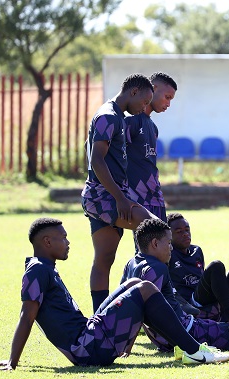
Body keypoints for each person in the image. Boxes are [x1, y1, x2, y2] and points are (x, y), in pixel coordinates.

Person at [0, 218, 229, 371]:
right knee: (144, 288)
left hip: (90, 335)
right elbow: (26, 316)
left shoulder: (45, 268)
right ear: (47, 242)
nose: (68, 242)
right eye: (63, 238)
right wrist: (12, 362)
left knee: (136, 281)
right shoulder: (38, 271)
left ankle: (187, 347)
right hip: (88, 348)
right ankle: (194, 351)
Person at [121, 218, 229, 352]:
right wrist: (190, 347)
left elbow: (131, 307)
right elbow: (147, 311)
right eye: (169, 242)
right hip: (188, 333)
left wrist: (127, 347)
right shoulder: (158, 268)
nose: (170, 248)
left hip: (173, 335)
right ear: (155, 243)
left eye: (187, 229)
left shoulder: (132, 264)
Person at [82, 73, 160, 312]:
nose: (145, 107)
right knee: (157, 230)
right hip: (102, 195)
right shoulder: (108, 116)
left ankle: (100, 319)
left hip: (107, 194)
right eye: (145, 102)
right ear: (133, 92)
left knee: (104, 259)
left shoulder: (117, 116)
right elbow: (96, 160)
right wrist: (120, 198)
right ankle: (162, 303)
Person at [167, 212, 229, 325]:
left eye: (187, 229)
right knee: (216, 266)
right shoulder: (168, 254)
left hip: (207, 295)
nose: (185, 234)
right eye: (179, 232)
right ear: (169, 235)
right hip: (191, 303)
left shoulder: (197, 251)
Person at [125, 72, 178, 223]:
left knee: (161, 243)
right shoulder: (130, 121)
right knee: (147, 245)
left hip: (155, 198)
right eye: (167, 97)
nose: (168, 104)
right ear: (153, 89)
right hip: (136, 198)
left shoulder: (153, 127)